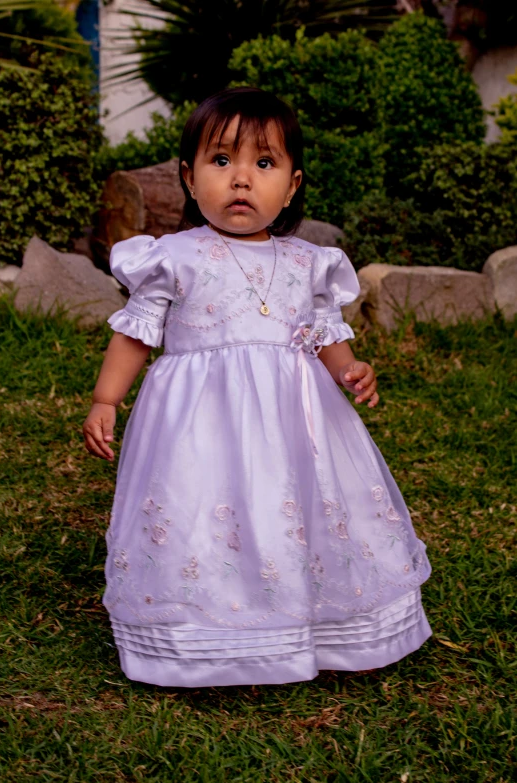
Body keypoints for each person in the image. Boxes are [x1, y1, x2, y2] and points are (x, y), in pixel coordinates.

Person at [83, 87, 432, 688]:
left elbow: (324, 336)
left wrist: (349, 370)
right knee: (204, 515)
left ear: (292, 185)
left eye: (263, 165)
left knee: (298, 512)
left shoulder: (308, 263)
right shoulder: (174, 257)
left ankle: (317, 625)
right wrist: (105, 399)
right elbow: (137, 335)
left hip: (296, 425)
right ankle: (210, 635)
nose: (241, 180)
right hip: (201, 424)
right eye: (221, 162)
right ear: (190, 179)